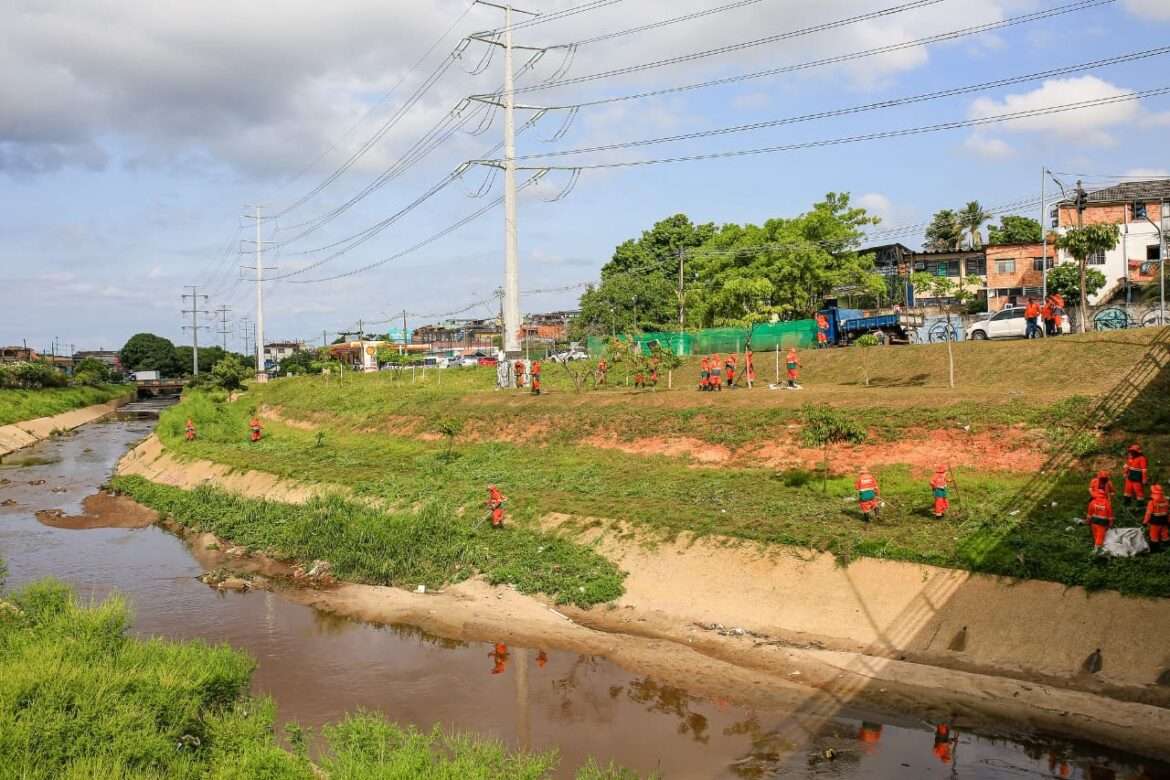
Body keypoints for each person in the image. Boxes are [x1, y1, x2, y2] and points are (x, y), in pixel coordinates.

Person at [1144, 485, 1169, 551]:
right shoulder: (1166, 500)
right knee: (1164, 533)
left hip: (1155, 521)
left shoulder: (1152, 502)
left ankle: (1155, 549)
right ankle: (1166, 545)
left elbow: (1148, 513)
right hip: (1164, 520)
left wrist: (1145, 522)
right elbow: (1168, 512)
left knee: (1154, 535)